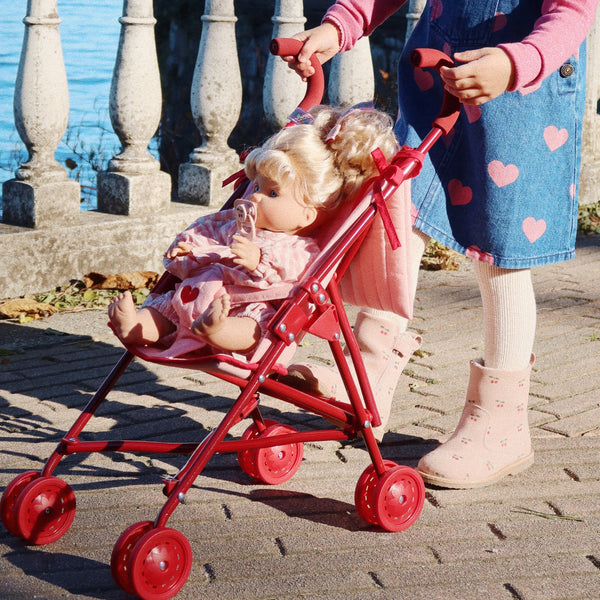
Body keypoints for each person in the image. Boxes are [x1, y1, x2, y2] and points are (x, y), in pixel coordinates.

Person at [282, 0, 599, 488]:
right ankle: (369, 374)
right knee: (398, 207)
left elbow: (573, 14)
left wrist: (515, 63)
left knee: (501, 251)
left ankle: (502, 424)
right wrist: (337, 26)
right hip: (437, 82)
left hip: (518, 96)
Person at [108, 104, 400, 357]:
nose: (255, 196)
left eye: (272, 194)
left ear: (306, 214)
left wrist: (258, 260)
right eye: (256, 186)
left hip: (245, 304)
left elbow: (297, 272)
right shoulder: (230, 223)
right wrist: (186, 250)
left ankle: (219, 331)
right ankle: (136, 326)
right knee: (165, 307)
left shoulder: (299, 246)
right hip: (193, 297)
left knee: (257, 325)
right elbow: (203, 232)